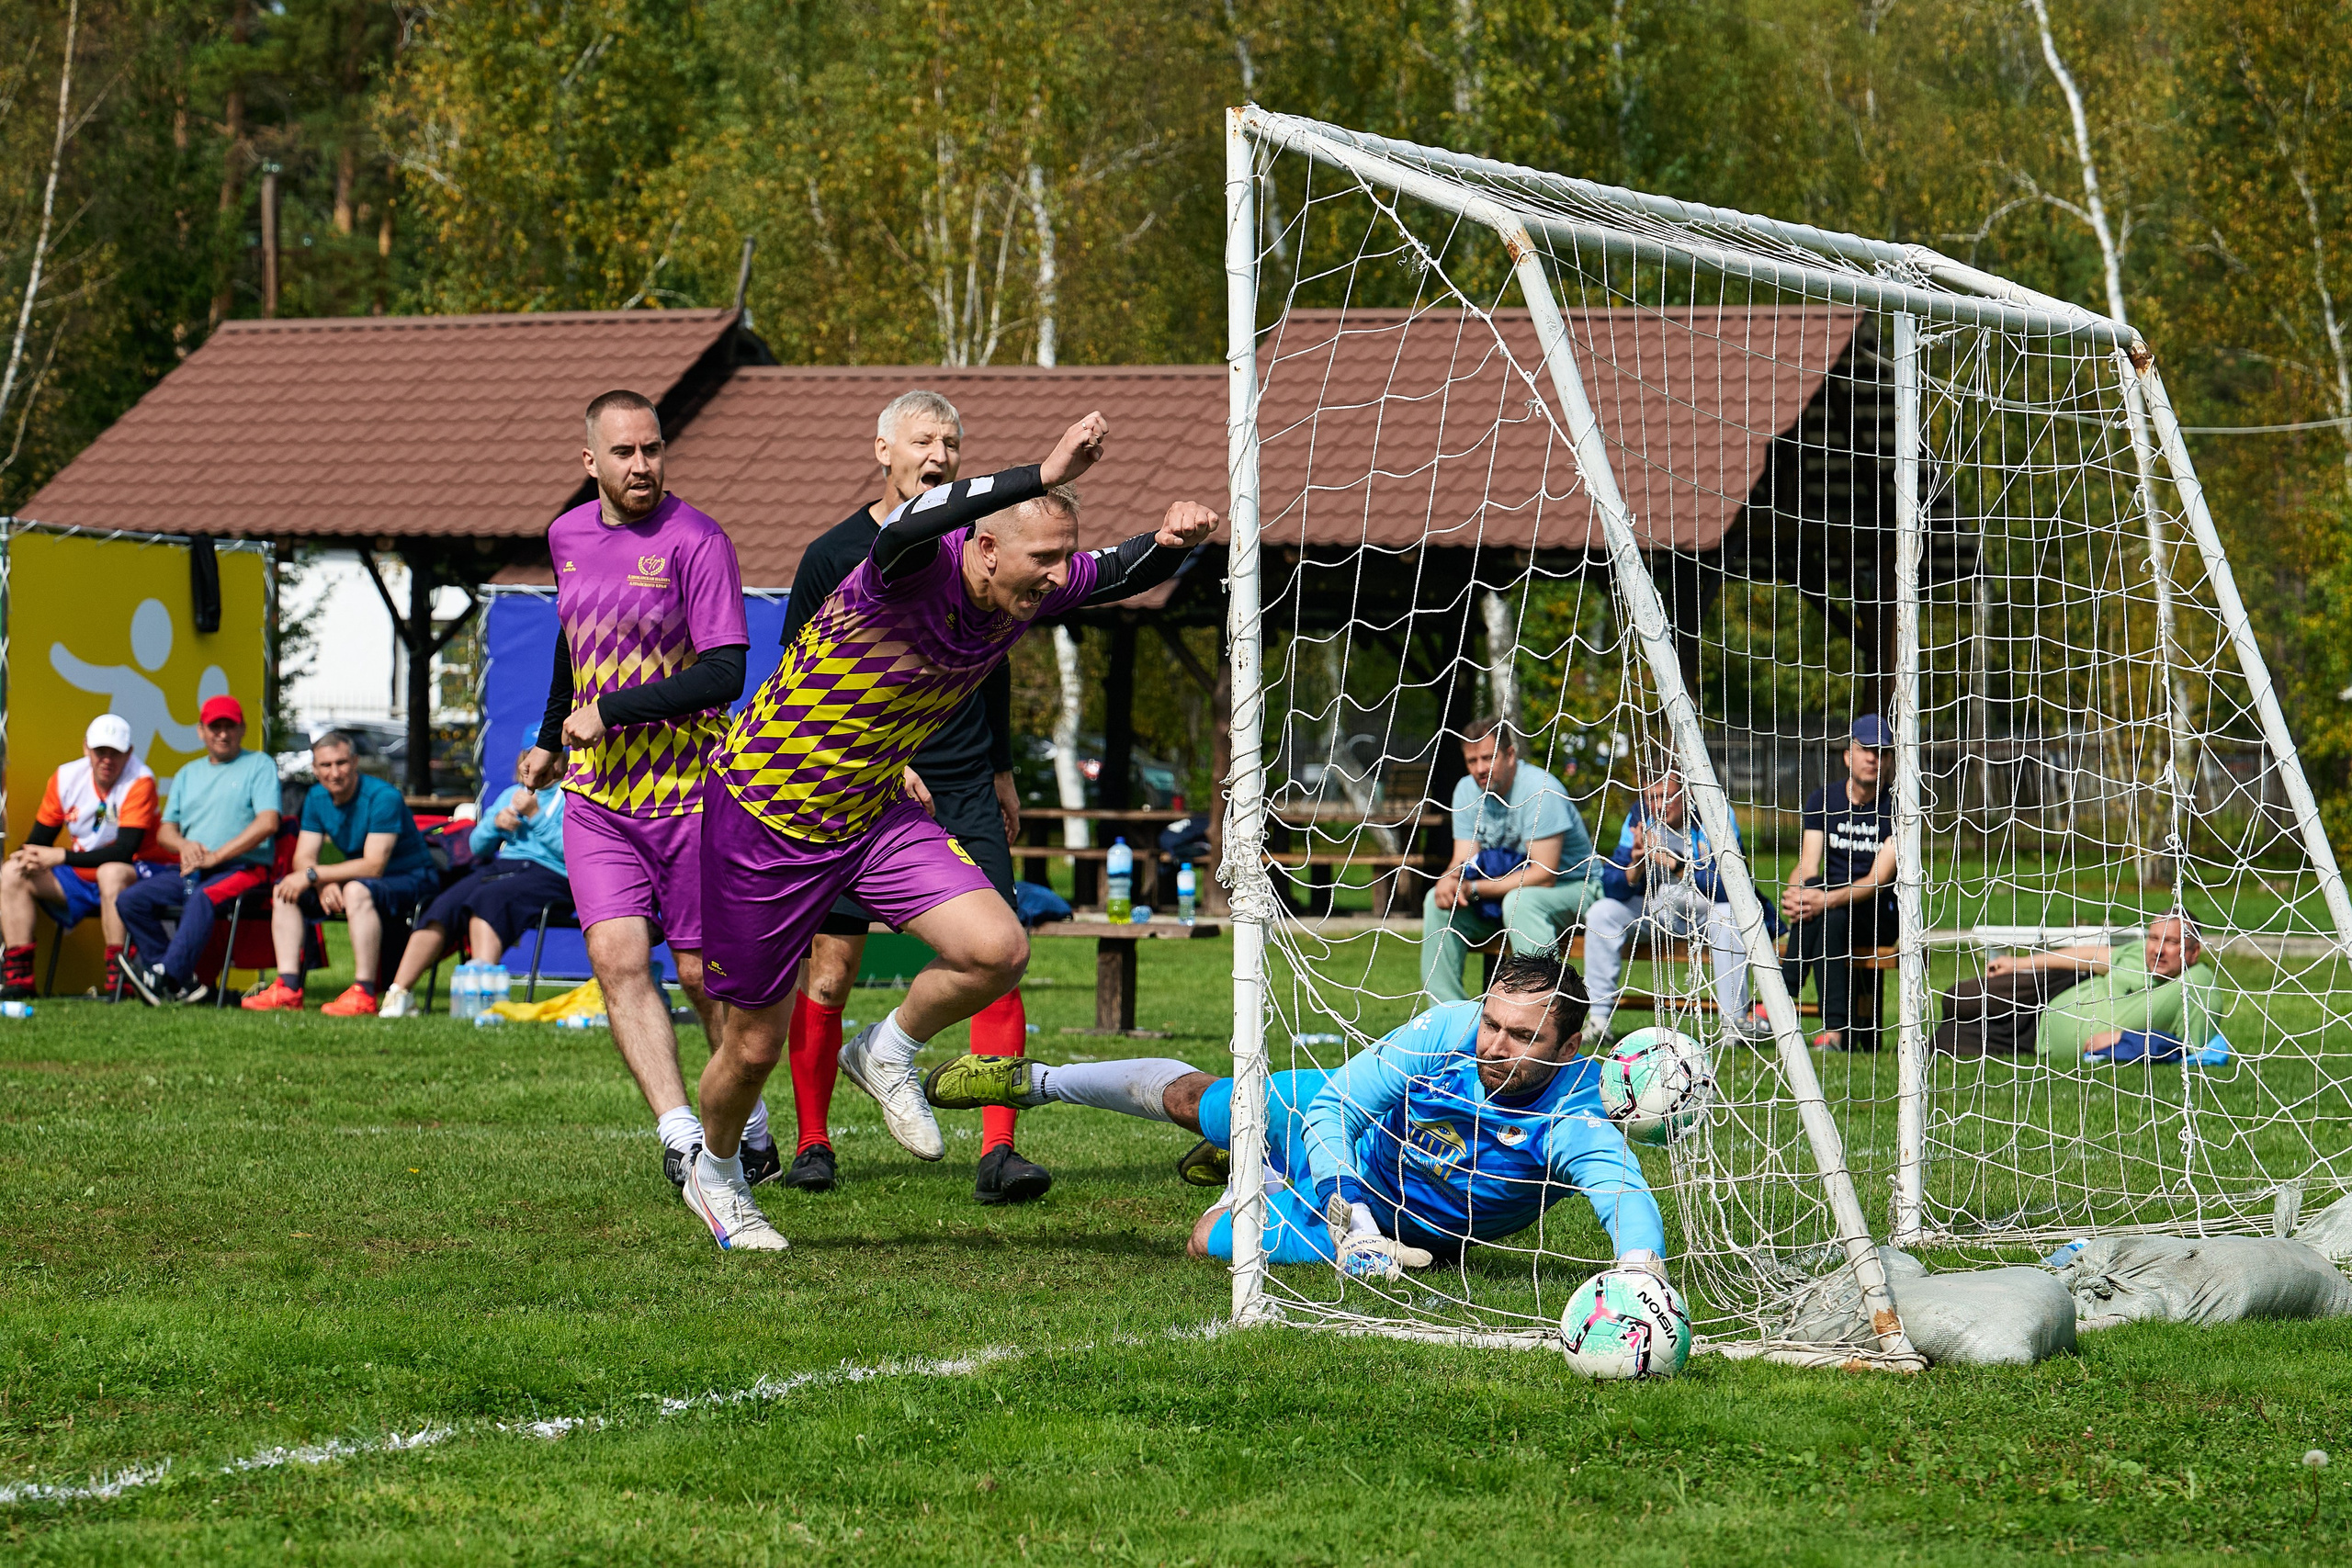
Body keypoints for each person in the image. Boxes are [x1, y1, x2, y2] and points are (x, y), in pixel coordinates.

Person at [685, 411, 1217, 1253]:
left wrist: (1171, 540)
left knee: (998, 948)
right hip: (768, 813)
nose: (1057, 577)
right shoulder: (905, 566)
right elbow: (913, 519)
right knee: (753, 1046)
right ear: (985, 547)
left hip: (872, 810)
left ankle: (886, 1049)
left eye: (1062, 558)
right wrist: (1042, 472)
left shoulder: (1029, 583)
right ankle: (715, 1173)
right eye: (1043, 559)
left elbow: (1116, 570)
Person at [778, 389, 1165, 1204]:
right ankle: (813, 1140)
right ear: (882, 449)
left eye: (951, 443)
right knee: (832, 966)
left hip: (960, 777)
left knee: (999, 951)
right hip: (858, 780)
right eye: (924, 439)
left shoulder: (991, 553)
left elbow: (993, 656)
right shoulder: (839, 552)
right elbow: (795, 675)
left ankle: (999, 1147)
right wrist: (882, 761)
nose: (941, 455)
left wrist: (999, 768)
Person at [921, 953, 1669, 1282]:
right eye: (1492, 1023)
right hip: (1346, 1147)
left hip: (1404, 1231)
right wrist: (1348, 1209)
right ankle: (1036, 1080)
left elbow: (1622, 1190)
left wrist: (1641, 1271)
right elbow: (1340, 1104)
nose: (1494, 1045)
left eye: (1522, 1036)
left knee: (1208, 1240)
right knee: (1208, 1103)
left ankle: (1253, 1169)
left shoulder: (1573, 1118)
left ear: (1569, 1046)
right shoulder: (1449, 1028)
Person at [519, 389, 780, 1194]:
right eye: (624, 452)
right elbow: (571, 643)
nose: (641, 465)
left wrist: (611, 711)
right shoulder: (565, 535)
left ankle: (751, 1128)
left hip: (692, 796)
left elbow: (725, 673)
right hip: (598, 800)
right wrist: (550, 736)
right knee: (617, 960)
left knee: (701, 975)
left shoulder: (699, 540)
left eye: (653, 449)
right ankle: (681, 1135)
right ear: (589, 461)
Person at [241, 730, 441, 1015]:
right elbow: (303, 858)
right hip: (359, 880)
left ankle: (364, 993)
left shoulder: (383, 797)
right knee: (285, 888)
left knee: (355, 890)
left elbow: (374, 866)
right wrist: (322, 884)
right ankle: (288, 988)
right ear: (314, 769)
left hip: (412, 879)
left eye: (341, 763)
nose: (334, 773)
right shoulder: (316, 797)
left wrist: (315, 876)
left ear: (355, 762)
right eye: (325, 765)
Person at [379, 750, 571, 1019]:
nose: (536, 766)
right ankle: (399, 994)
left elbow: (572, 851)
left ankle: (483, 999)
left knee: (489, 898)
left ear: (561, 763)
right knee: (444, 905)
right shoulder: (512, 794)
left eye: (548, 759)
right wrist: (495, 824)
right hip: (505, 867)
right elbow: (477, 846)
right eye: (529, 758)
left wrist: (536, 815)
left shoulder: (570, 798)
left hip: (553, 875)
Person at [1419, 718, 1599, 1005]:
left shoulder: (1540, 790)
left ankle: (1543, 1009)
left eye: (1488, 758)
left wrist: (1474, 889)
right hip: (1505, 895)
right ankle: (1447, 1013)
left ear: (1510, 754)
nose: (1480, 769)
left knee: (1521, 902)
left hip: (1576, 888)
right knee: (1438, 902)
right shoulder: (1466, 790)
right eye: (1472, 761)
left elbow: (1544, 875)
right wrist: (1449, 879)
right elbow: (1463, 857)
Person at [118, 695, 282, 1005]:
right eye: (215, 727)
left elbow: (268, 822)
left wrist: (218, 856)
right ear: (201, 731)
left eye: (229, 726)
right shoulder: (187, 773)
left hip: (244, 868)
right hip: (194, 869)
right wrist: (184, 845)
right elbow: (166, 830)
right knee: (131, 900)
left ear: (243, 729)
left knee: (203, 898)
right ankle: (175, 981)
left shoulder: (259, 765)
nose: (223, 734)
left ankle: (166, 977)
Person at [0, 714, 173, 999]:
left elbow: (124, 852)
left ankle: (120, 980)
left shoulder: (140, 780)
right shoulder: (66, 778)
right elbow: (39, 841)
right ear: (85, 748)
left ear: (129, 753)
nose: (107, 760)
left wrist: (60, 856)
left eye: (115, 753)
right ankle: (18, 979)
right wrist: (28, 856)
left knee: (111, 872)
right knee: (12, 871)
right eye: (100, 751)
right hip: (80, 876)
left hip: (136, 873)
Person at [1580, 771, 1752, 1043]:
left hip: (1707, 910)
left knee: (1729, 916)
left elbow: (1732, 888)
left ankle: (1734, 1026)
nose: (1659, 805)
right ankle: (1599, 1021)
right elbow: (1612, 886)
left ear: (1687, 794)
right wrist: (1635, 865)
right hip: (1658, 909)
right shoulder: (1639, 817)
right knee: (1602, 913)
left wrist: (1675, 863)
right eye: (1652, 797)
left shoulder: (1714, 812)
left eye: (1667, 796)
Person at [1769, 716, 1899, 1051]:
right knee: (1829, 913)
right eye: (1866, 749)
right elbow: (1807, 864)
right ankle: (1835, 1031)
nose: (1873, 758)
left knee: (1830, 913)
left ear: (1890, 760)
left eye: (1882, 752)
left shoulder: (1898, 808)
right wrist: (1797, 893)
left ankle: (1780, 999)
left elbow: (1876, 881)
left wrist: (1820, 900)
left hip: (1877, 912)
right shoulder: (1823, 799)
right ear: (1847, 756)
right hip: (1829, 908)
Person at [1932, 912, 2216, 1064]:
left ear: (2194, 952)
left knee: (1944, 1040)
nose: (2157, 949)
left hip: (2033, 1042)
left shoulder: (2196, 985)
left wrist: (2130, 1039)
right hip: (2052, 989)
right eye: (2154, 938)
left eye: (2171, 942)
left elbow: (2193, 1051)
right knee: (1957, 998)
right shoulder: (2138, 953)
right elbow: (2092, 956)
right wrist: (2019, 964)